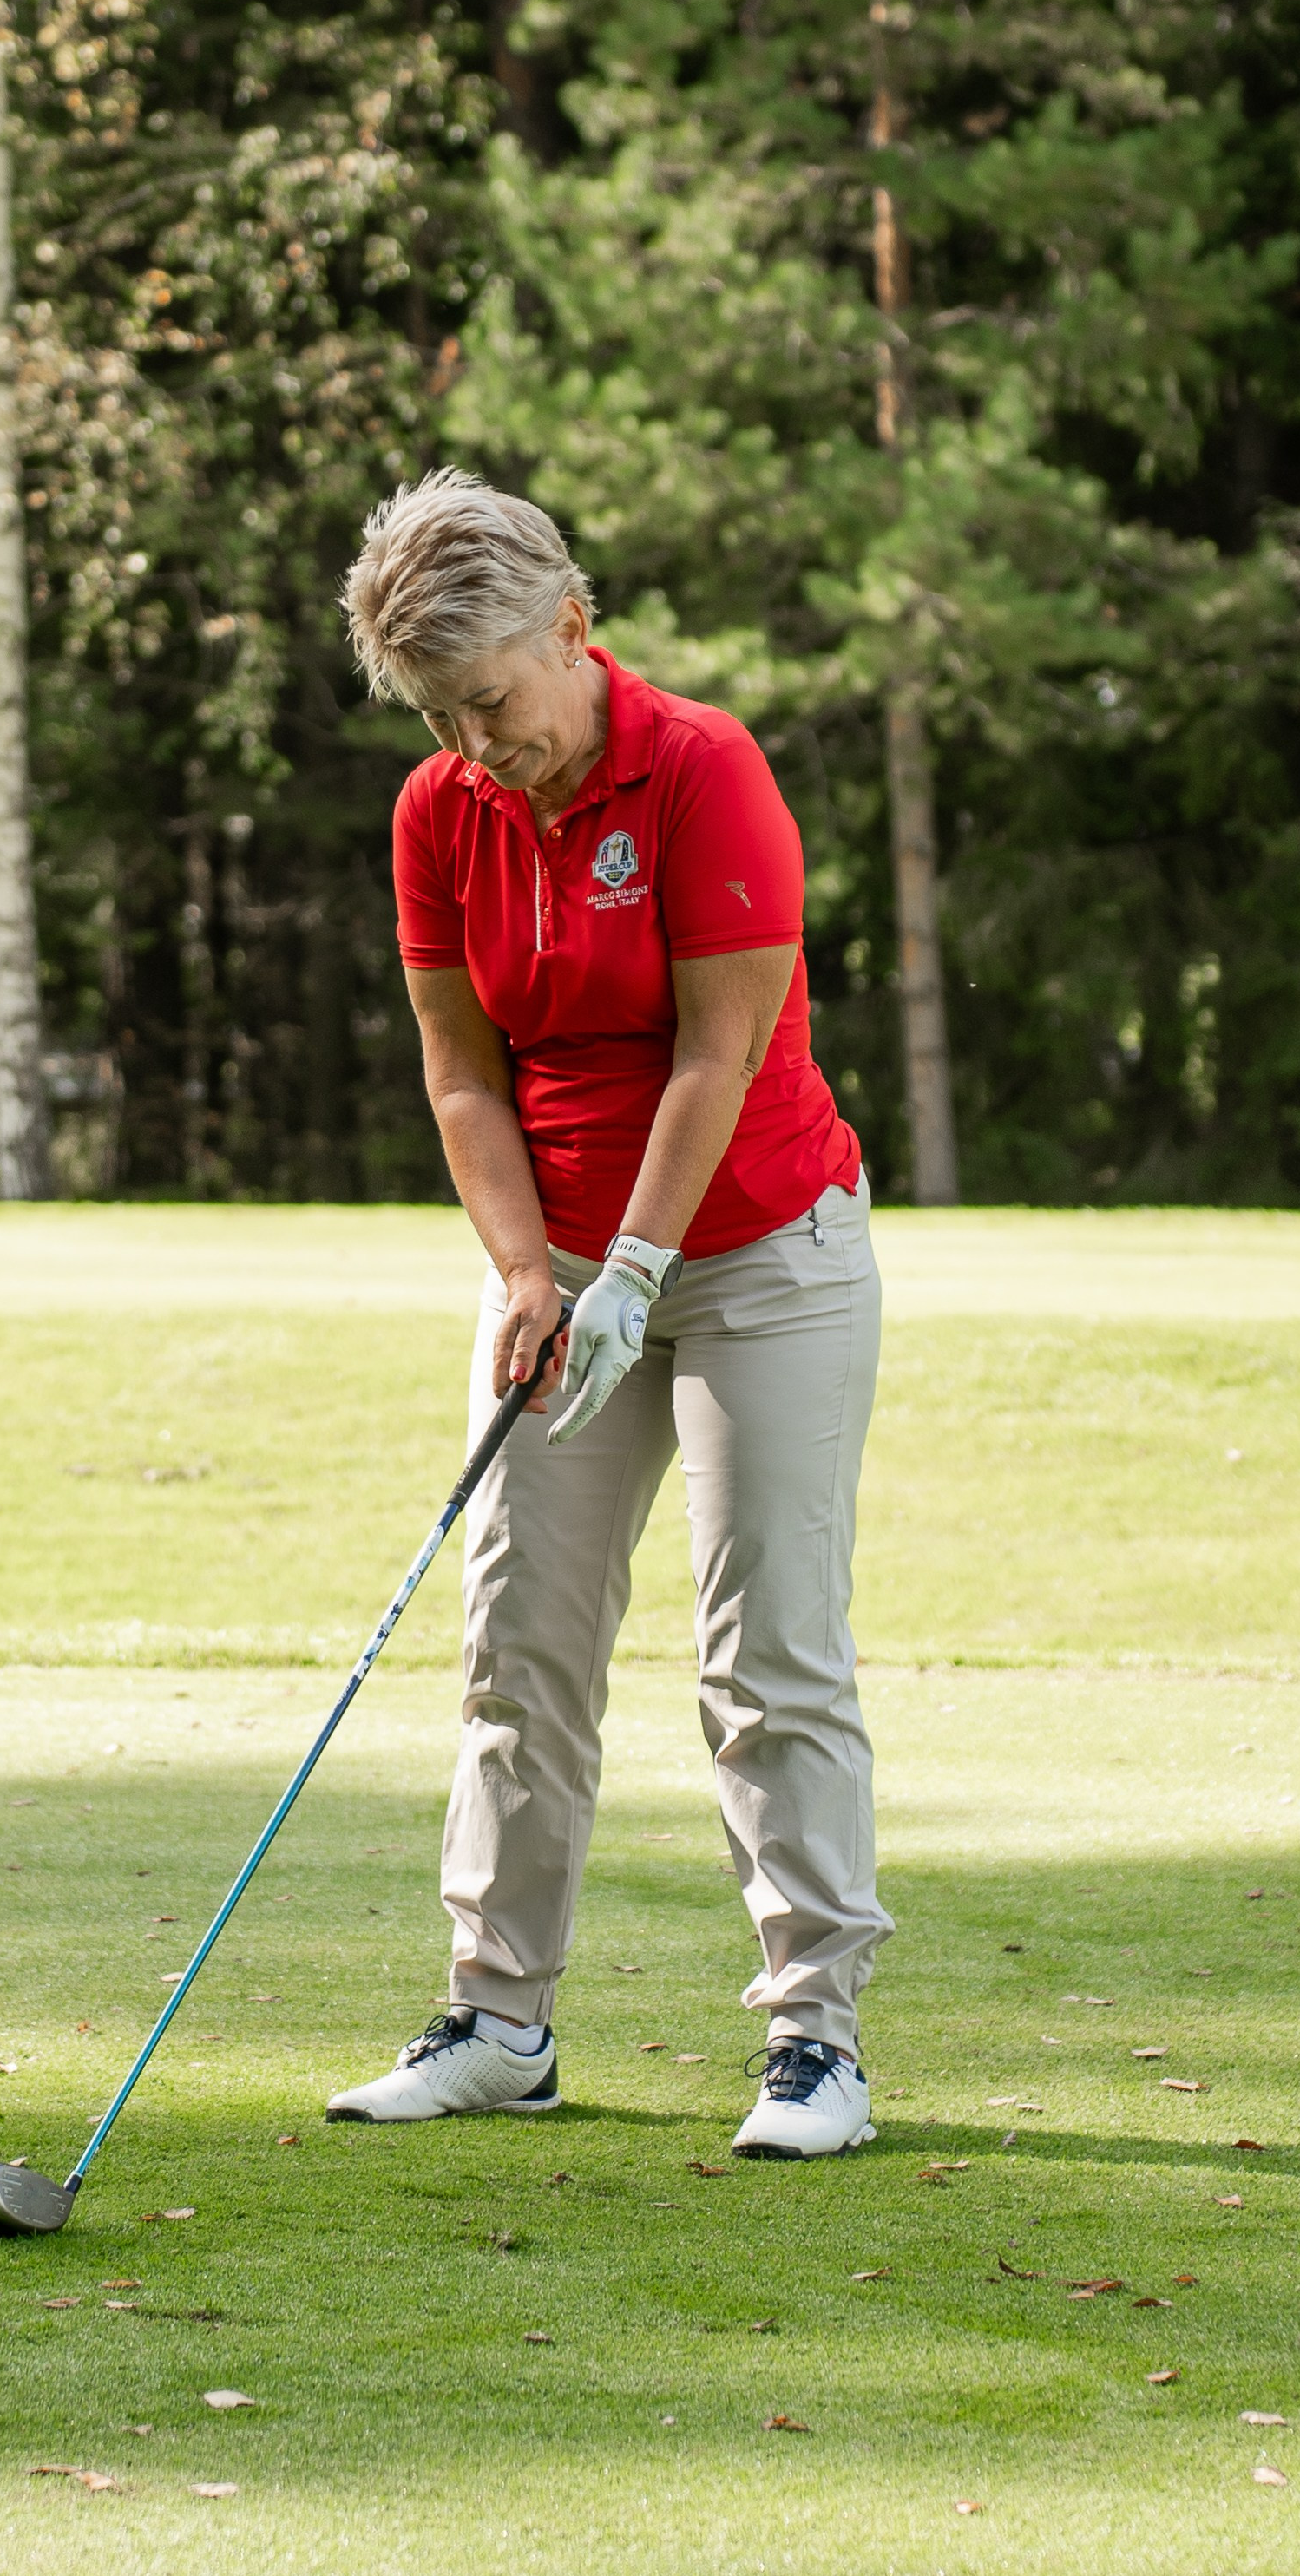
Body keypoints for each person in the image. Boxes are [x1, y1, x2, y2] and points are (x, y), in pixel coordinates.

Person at [325, 470, 890, 2159]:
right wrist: (529, 1273)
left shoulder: (704, 768)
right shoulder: (442, 815)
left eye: (491, 699)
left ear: (571, 626)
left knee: (764, 1644)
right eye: (440, 716)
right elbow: (460, 1075)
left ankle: (816, 2040)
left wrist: (637, 1269)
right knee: (520, 1641)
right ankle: (499, 2015)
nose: (479, 742)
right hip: (563, 1264)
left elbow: (719, 1054)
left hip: (764, 1250)